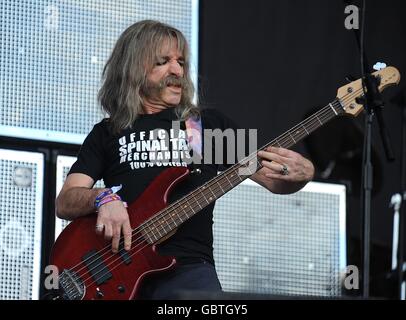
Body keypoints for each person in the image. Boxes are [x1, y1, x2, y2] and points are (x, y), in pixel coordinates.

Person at [55, 20, 315, 299]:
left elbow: (272, 180)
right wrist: (103, 198)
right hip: (117, 271)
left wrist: (303, 173)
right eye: (163, 61)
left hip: (189, 271)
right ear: (133, 66)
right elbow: (65, 202)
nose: (177, 70)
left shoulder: (205, 126)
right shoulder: (108, 132)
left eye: (181, 62)